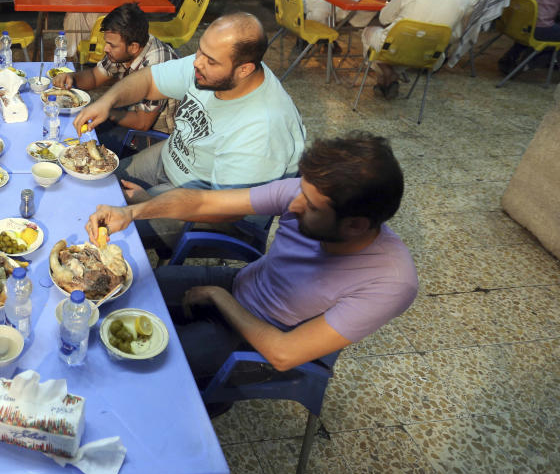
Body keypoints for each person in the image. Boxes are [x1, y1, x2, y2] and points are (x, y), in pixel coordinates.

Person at [84, 132, 417, 404]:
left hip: (261, 342)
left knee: (132, 363)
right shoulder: (307, 194)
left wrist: (218, 297)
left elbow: (284, 354)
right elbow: (202, 203)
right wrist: (133, 213)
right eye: (301, 190)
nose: (294, 203)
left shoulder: (390, 281)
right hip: (239, 283)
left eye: (311, 206)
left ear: (356, 225)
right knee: (116, 292)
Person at [77, 12, 305, 250]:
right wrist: (107, 101)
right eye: (200, 51)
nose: (197, 62)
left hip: (215, 212)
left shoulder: (263, 129)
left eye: (211, 60)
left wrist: (147, 206)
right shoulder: (214, 65)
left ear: (244, 69)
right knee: (93, 185)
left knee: (96, 229)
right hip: (171, 158)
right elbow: (149, 80)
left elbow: (220, 209)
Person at [50, 3, 178, 154]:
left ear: (134, 47)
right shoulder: (125, 47)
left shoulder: (158, 64)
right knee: (74, 129)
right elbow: (95, 76)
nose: (106, 48)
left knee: (82, 148)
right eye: (106, 42)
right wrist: (72, 78)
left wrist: (106, 110)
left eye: (111, 45)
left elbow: (143, 122)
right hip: (131, 112)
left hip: (156, 138)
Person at [362, 0, 471, 98]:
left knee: (369, 31)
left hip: (396, 47)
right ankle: (387, 80)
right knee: (409, 47)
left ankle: (386, 71)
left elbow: (384, 18)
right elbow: (455, 36)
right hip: (429, 56)